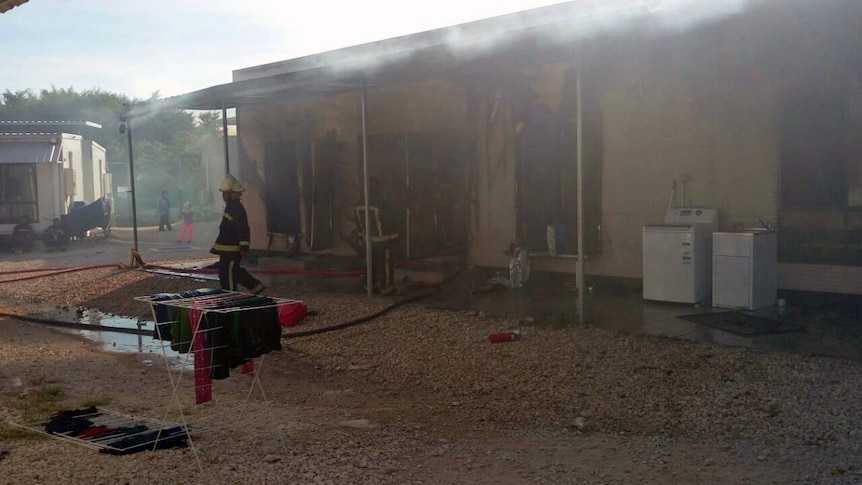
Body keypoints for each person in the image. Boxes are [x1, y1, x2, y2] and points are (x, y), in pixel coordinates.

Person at [210, 175, 265, 294]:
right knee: (232, 271)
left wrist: (244, 247)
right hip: (226, 249)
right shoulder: (231, 207)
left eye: (225, 193)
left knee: (228, 273)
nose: (223, 195)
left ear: (232, 193)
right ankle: (255, 286)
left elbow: (243, 229)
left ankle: (229, 295)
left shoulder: (236, 208)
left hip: (231, 249)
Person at [359, 177, 398, 295]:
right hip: (383, 239)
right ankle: (386, 288)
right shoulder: (382, 202)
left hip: (367, 239)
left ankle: (368, 286)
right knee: (385, 263)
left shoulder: (360, 201)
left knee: (370, 263)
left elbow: (358, 221)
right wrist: (395, 235)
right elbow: (389, 220)